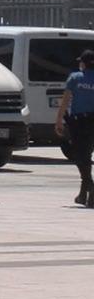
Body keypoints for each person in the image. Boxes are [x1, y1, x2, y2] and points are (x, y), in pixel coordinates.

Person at [56, 49, 94, 207]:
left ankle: (91, 188)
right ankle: (84, 195)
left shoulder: (75, 78)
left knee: (80, 157)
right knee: (86, 156)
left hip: (79, 123)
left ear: (84, 63)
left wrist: (58, 120)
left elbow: (65, 101)